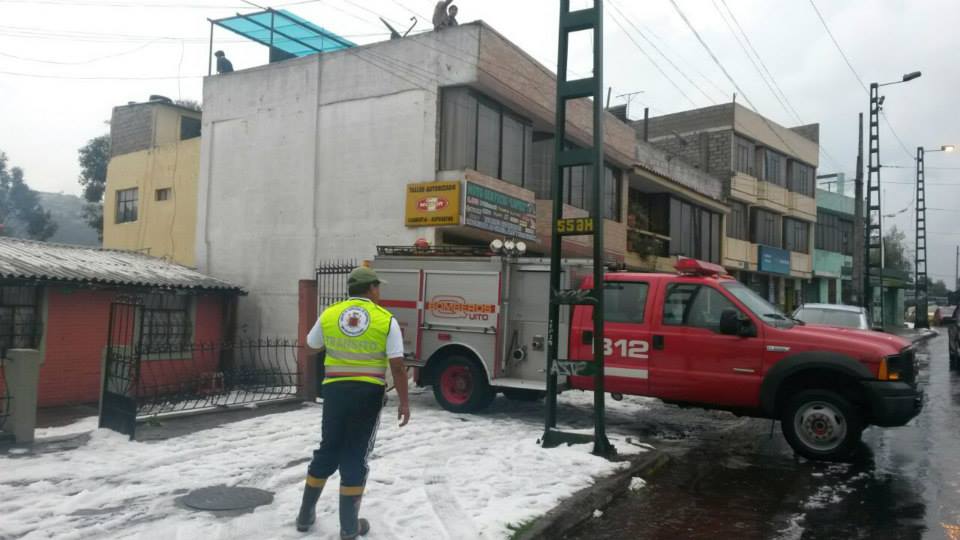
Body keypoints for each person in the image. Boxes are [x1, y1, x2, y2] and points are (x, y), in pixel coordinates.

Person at [296, 266, 410, 539]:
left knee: (328, 449)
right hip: (367, 395)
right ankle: (349, 527)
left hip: (335, 391)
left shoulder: (330, 314)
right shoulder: (386, 319)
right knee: (355, 455)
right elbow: (397, 366)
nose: (379, 291)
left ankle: (304, 515)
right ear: (371, 288)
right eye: (378, 287)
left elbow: (310, 347)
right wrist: (404, 403)